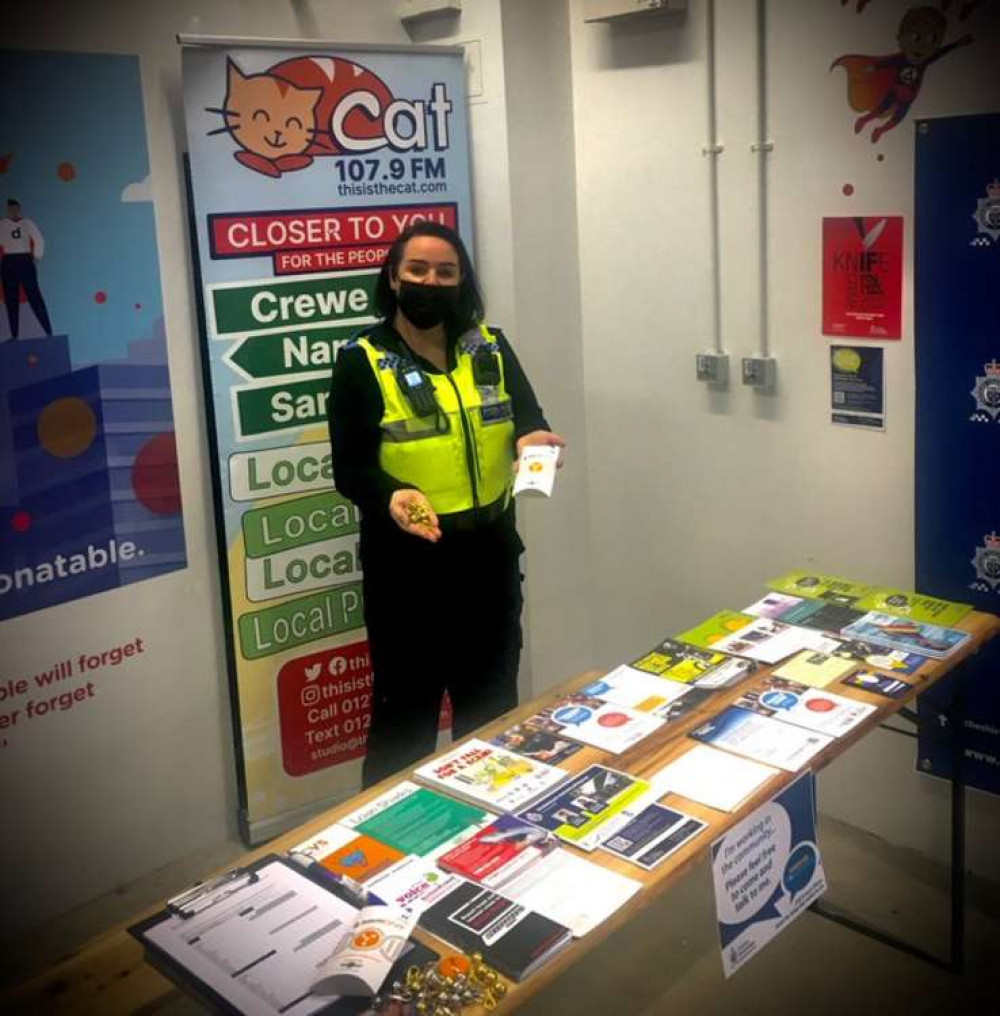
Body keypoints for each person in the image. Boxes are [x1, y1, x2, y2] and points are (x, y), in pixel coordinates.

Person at [328, 221, 565, 788]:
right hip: (410, 567)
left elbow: (529, 419)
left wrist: (535, 439)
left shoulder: (491, 347)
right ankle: (388, 845)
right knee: (404, 720)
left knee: (491, 712)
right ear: (393, 277)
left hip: (491, 557)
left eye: (445, 272)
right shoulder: (362, 361)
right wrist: (392, 494)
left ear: (462, 282)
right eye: (418, 270)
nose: (431, 282)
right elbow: (350, 470)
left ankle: (482, 836)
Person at [0, 198, 54, 338]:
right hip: (8, 260)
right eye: (11, 209)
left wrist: (37, 255)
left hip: (24, 259)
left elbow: (38, 238)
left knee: (34, 294)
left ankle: (48, 331)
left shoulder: (27, 222)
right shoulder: (2, 224)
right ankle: (14, 334)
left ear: (19, 209)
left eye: (16, 209)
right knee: (11, 297)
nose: (14, 212)